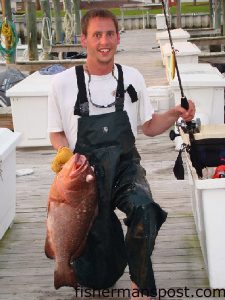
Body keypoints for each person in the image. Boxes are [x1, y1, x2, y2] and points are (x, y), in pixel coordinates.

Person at [47, 8, 195, 299]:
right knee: (98, 278)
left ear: (117, 38)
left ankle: (140, 286)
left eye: (110, 34)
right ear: (84, 40)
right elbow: (55, 131)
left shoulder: (133, 77)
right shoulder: (61, 83)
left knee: (145, 209)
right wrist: (64, 153)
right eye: (97, 35)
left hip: (125, 169)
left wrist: (176, 113)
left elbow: (150, 127)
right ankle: (100, 260)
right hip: (84, 177)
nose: (104, 41)